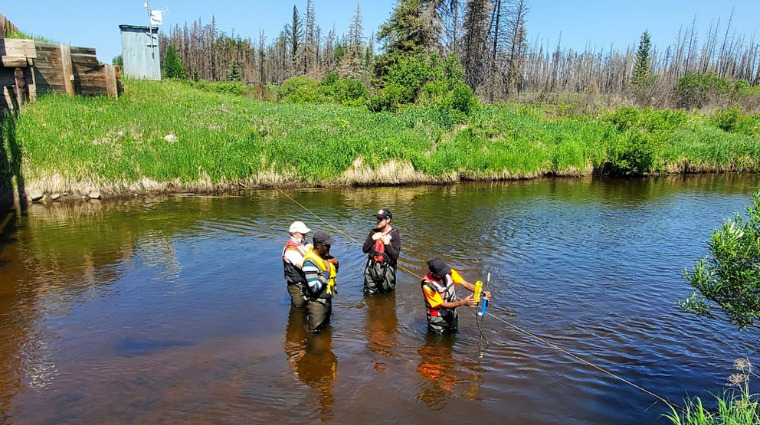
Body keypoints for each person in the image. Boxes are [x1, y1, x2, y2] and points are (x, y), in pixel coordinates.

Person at [421, 258, 491, 334]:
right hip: (437, 318)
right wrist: (462, 303)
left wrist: (481, 292)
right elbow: (441, 304)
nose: (445, 274)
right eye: (442, 273)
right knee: (437, 342)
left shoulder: (448, 272)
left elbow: (465, 283)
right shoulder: (427, 285)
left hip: (452, 313)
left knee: (453, 335)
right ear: (434, 273)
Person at [302, 230, 339, 333]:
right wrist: (327, 271)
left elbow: (333, 274)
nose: (329, 247)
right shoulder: (310, 262)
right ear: (318, 246)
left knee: (326, 329)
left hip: (326, 298)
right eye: (326, 245)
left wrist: (335, 263)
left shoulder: (323, 256)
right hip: (316, 302)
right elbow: (314, 287)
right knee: (314, 332)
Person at [362, 208, 401, 294]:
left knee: (387, 294)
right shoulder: (373, 232)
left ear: (388, 220)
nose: (377, 221)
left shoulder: (394, 235)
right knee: (369, 294)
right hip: (372, 268)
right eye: (377, 218)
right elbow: (365, 249)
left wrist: (387, 244)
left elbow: (395, 256)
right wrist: (372, 239)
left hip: (387, 269)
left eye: (380, 219)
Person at [282, 221, 312, 308]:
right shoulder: (291, 250)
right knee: (298, 309)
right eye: (303, 233)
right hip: (296, 286)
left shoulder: (302, 243)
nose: (305, 235)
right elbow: (302, 267)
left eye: (305, 233)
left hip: (304, 283)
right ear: (294, 234)